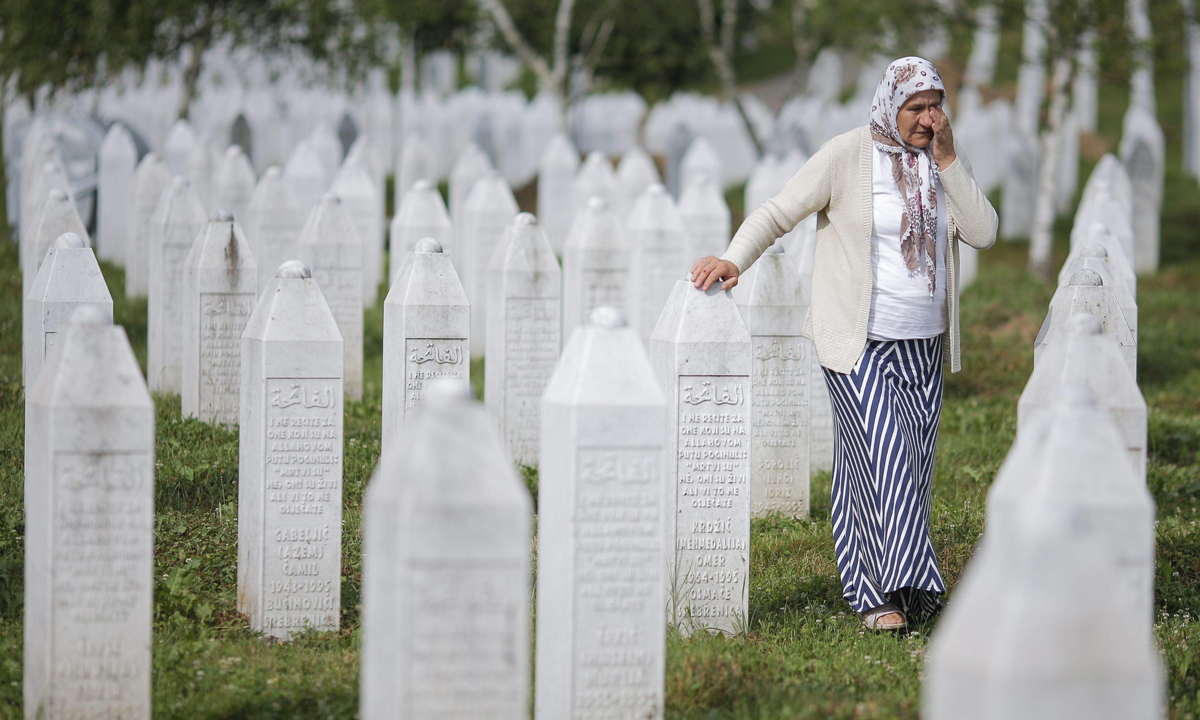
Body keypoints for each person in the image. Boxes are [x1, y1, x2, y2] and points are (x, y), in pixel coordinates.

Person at [691, 57, 998, 631]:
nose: (929, 119)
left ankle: (871, 593)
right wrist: (733, 258)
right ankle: (915, 586)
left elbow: (983, 232)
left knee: (887, 468)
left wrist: (949, 161)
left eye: (937, 106)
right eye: (916, 108)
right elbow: (779, 211)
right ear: (890, 106)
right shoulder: (848, 154)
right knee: (889, 459)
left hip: (923, 345)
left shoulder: (939, 163)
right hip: (856, 341)